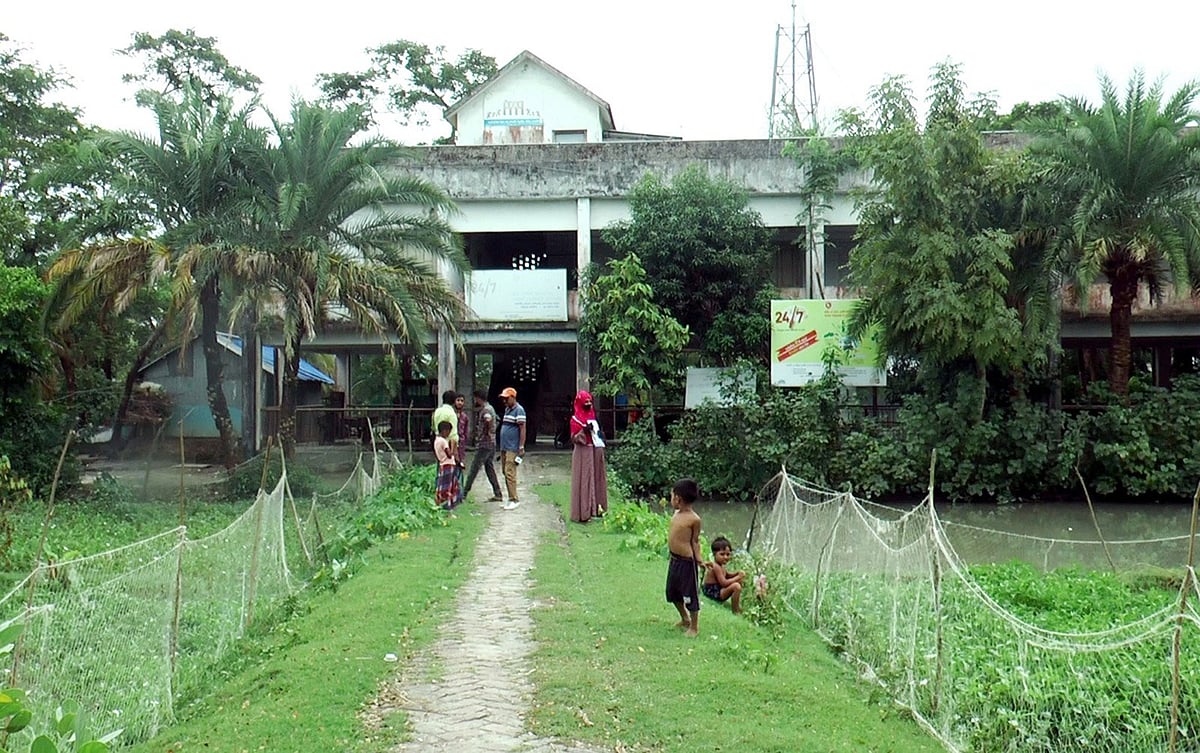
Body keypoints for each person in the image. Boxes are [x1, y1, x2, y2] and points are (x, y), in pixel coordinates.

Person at [665, 477, 705, 637]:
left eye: (671, 496)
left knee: (690, 595)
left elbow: (695, 541)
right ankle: (684, 618)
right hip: (674, 560)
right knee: (672, 592)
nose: (670, 500)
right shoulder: (676, 514)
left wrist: (700, 559)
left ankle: (694, 627)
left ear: (678, 499)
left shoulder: (694, 519)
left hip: (687, 563)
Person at [569, 390, 608, 523]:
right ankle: (584, 512)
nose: (588, 404)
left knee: (597, 478)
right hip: (583, 452)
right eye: (586, 402)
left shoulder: (593, 416)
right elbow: (573, 438)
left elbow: (598, 433)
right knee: (584, 480)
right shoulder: (575, 419)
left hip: (596, 450)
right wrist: (583, 431)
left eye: (590, 402)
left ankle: (598, 509)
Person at [463, 390, 503, 501]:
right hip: (491, 443)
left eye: (475, 398)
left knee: (474, 469)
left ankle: (464, 492)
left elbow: (487, 419)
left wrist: (485, 433)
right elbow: (497, 420)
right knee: (489, 468)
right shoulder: (491, 408)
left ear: (479, 398)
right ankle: (498, 492)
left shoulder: (486, 410)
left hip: (485, 444)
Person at [498, 386, 526, 511]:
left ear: (513, 397)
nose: (504, 401)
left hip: (512, 447)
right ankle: (510, 496)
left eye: (506, 398)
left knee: (510, 472)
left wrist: (521, 446)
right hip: (504, 446)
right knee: (505, 471)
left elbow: (522, 429)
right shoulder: (507, 410)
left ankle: (513, 499)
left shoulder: (519, 410)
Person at [702, 536, 745, 614]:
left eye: (728, 554)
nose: (725, 557)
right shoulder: (716, 567)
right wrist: (738, 577)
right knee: (736, 586)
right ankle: (736, 611)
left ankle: (737, 605)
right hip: (713, 592)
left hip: (718, 590)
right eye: (722, 554)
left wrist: (737, 574)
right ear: (714, 554)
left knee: (738, 582)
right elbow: (723, 582)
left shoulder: (721, 566)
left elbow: (727, 575)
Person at [433, 421, 459, 510]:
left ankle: (439, 504)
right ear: (444, 430)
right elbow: (449, 454)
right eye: (448, 431)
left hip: (442, 464)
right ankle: (447, 506)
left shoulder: (436, 441)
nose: (448, 434)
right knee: (448, 487)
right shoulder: (443, 441)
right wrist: (453, 446)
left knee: (442, 485)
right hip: (448, 464)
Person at [431, 390, 459, 461]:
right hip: (448, 445)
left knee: (440, 465)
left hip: (438, 443)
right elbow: (453, 434)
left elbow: (433, 427)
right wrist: (455, 453)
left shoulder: (437, 411)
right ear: (454, 401)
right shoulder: (451, 414)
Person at [453, 392, 470, 505]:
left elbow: (466, 432)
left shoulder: (465, 417)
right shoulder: (452, 414)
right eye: (458, 400)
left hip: (461, 445)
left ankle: (460, 494)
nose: (460, 402)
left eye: (462, 401)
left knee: (460, 468)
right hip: (453, 444)